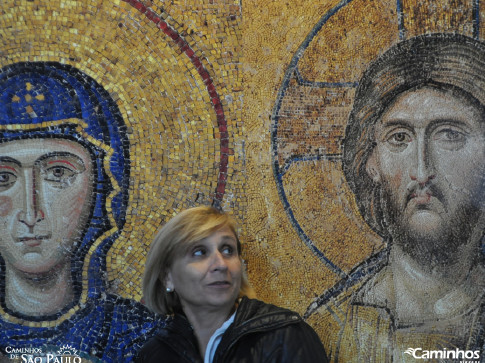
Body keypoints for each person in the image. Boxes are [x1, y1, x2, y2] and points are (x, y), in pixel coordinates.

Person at [305, 33, 485, 362]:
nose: (422, 169)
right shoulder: (328, 329)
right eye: (399, 137)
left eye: (449, 135)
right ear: (372, 161)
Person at [0, 62, 163, 362]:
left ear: (104, 188)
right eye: (3, 178)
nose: (30, 212)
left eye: (58, 173)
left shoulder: (141, 336)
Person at [136, 206, 329, 363]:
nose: (220, 264)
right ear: (167, 277)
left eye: (228, 250)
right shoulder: (155, 354)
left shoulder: (285, 336)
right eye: (199, 252)